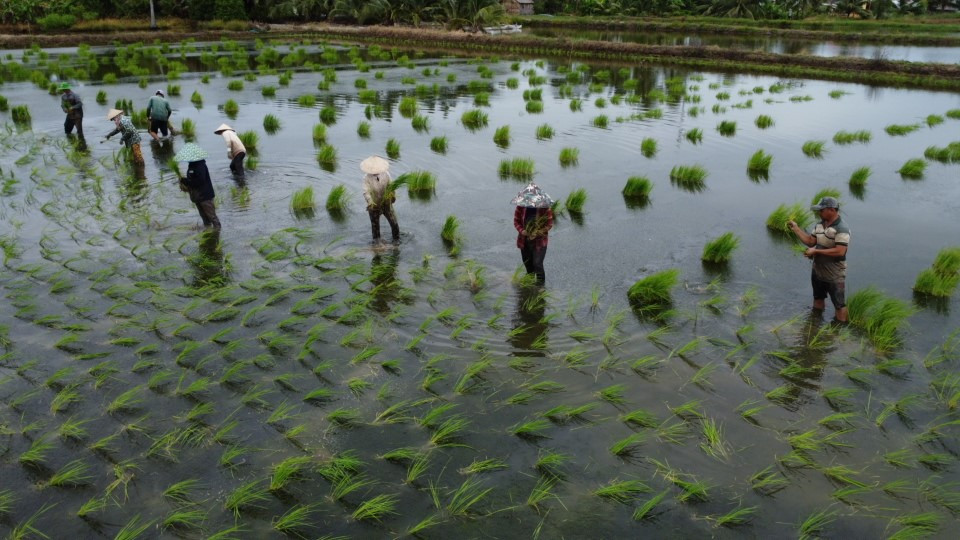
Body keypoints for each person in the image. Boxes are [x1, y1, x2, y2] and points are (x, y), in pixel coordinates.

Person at [788, 196, 850, 322]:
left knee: (839, 304)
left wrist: (816, 251)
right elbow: (811, 242)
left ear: (832, 210)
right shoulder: (819, 225)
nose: (819, 212)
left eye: (821, 210)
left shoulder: (841, 228)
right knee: (817, 298)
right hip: (818, 269)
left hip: (835, 272)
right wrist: (796, 229)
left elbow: (840, 251)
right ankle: (815, 323)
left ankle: (841, 332)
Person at [512, 183, 555, 285]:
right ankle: (530, 290)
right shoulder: (521, 206)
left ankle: (540, 288)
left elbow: (549, 224)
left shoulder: (545, 208)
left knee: (538, 264)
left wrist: (537, 233)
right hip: (524, 240)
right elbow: (516, 222)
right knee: (528, 265)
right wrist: (523, 231)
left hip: (539, 241)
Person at [174, 143, 221, 229]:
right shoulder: (191, 165)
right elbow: (193, 179)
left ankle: (217, 232)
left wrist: (187, 181)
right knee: (204, 218)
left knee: (212, 217)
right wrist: (184, 182)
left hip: (205, 196)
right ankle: (208, 232)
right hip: (198, 196)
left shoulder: (200, 165)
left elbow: (200, 181)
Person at [360, 155, 399, 242]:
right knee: (375, 228)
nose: (375, 172)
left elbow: (391, 186)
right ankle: (377, 245)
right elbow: (366, 192)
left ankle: (396, 241)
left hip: (386, 203)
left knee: (394, 224)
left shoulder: (386, 174)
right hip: (374, 205)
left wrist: (392, 195)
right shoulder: (366, 178)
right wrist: (370, 202)